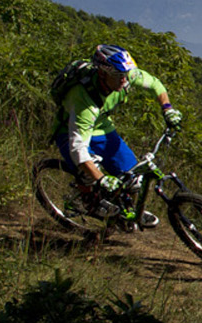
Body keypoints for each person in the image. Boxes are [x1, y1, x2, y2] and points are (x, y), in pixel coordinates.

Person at [50, 44, 183, 219]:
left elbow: (155, 85)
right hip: (70, 131)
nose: (124, 80)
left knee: (132, 177)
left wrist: (167, 109)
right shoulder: (84, 101)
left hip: (102, 129)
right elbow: (78, 150)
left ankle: (126, 212)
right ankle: (85, 201)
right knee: (88, 173)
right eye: (118, 76)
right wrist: (101, 179)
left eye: (125, 75)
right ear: (102, 73)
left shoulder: (125, 74)